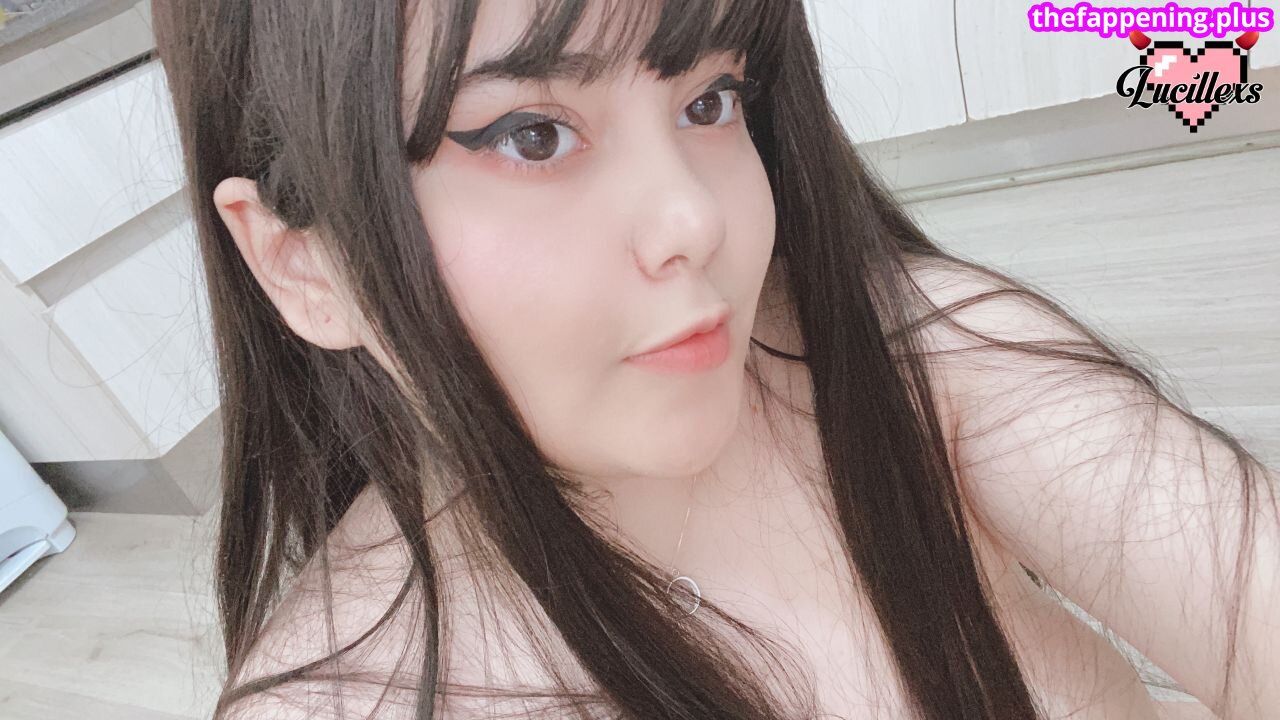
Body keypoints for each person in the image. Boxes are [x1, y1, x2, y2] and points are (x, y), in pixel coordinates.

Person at [149, 1, 1278, 718]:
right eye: (531, 135)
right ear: (305, 264)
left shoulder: (920, 358)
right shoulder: (351, 695)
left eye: (709, 99)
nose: (694, 215)